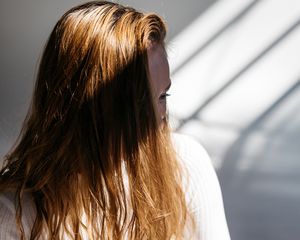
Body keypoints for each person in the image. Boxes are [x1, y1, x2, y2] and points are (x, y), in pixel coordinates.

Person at [0, 1, 231, 239]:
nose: (157, 120)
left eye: (163, 96)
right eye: (138, 105)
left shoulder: (186, 165)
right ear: (85, 107)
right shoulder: (14, 212)